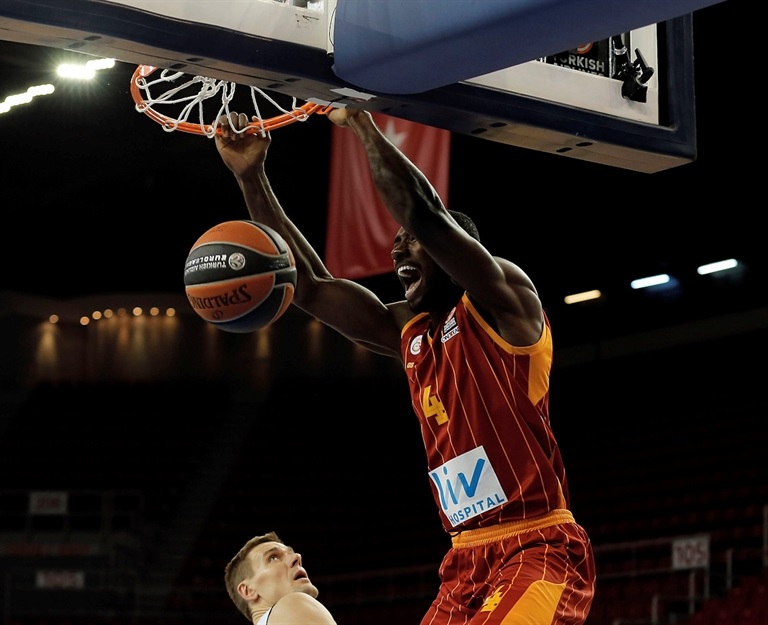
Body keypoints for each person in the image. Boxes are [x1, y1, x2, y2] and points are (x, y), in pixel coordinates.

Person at [214, 109, 596, 625]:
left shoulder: (506, 304)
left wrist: (362, 124)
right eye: (397, 243)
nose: (396, 249)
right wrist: (251, 176)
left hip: (535, 546)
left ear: (455, 251)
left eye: (410, 241)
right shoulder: (410, 332)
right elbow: (305, 285)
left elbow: (424, 215)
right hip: (464, 557)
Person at [224, 531, 338, 624]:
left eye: (291, 553)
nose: (297, 557)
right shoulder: (292, 604)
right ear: (248, 590)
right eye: (273, 558)